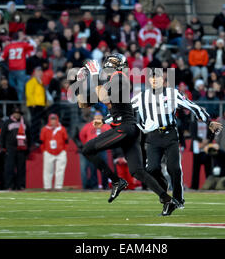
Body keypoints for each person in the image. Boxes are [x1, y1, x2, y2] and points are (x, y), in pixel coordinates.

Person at [76, 55, 179, 216]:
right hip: (129, 129)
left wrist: (94, 76)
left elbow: (103, 97)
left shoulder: (120, 78)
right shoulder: (112, 82)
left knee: (87, 149)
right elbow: (83, 103)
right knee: (137, 171)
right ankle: (167, 200)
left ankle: (116, 181)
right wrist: (81, 82)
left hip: (125, 128)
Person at [131, 68, 223, 207]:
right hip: (153, 136)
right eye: (152, 77)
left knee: (174, 168)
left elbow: (192, 106)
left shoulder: (172, 93)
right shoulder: (141, 96)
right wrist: (104, 120)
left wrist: (208, 121)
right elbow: (124, 110)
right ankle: (164, 185)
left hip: (170, 134)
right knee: (152, 169)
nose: (155, 80)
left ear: (163, 79)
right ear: (149, 80)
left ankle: (178, 199)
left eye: (158, 77)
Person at [0, 106, 31, 190]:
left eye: (18, 114)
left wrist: (28, 148)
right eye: (15, 113)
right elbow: (2, 136)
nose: (17, 115)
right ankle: (9, 185)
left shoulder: (25, 123)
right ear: (12, 114)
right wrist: (2, 147)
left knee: (21, 168)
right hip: (10, 148)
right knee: (9, 168)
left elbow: (29, 136)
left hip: (21, 149)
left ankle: (20, 185)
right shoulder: (7, 122)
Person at [79, 111, 111, 189]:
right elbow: (82, 136)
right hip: (92, 150)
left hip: (102, 149)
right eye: (96, 118)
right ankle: (94, 185)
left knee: (104, 167)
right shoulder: (88, 126)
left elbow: (111, 135)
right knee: (92, 168)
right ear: (93, 118)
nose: (98, 119)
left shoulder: (106, 126)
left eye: (99, 117)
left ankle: (105, 184)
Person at [40, 114, 68, 190]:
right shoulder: (45, 129)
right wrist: (44, 151)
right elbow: (42, 141)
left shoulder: (62, 129)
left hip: (61, 152)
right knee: (47, 170)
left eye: (54, 119)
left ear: (57, 120)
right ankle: (47, 187)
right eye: (51, 119)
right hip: (48, 152)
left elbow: (66, 140)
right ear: (49, 120)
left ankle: (58, 187)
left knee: (60, 170)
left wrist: (64, 150)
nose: (53, 121)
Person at [25, 66, 46, 144]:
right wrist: (33, 104)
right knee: (35, 122)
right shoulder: (31, 82)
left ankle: (36, 138)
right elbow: (29, 94)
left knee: (38, 122)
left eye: (41, 71)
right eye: (38, 71)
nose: (40, 73)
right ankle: (33, 139)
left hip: (40, 105)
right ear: (35, 73)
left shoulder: (40, 82)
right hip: (35, 105)